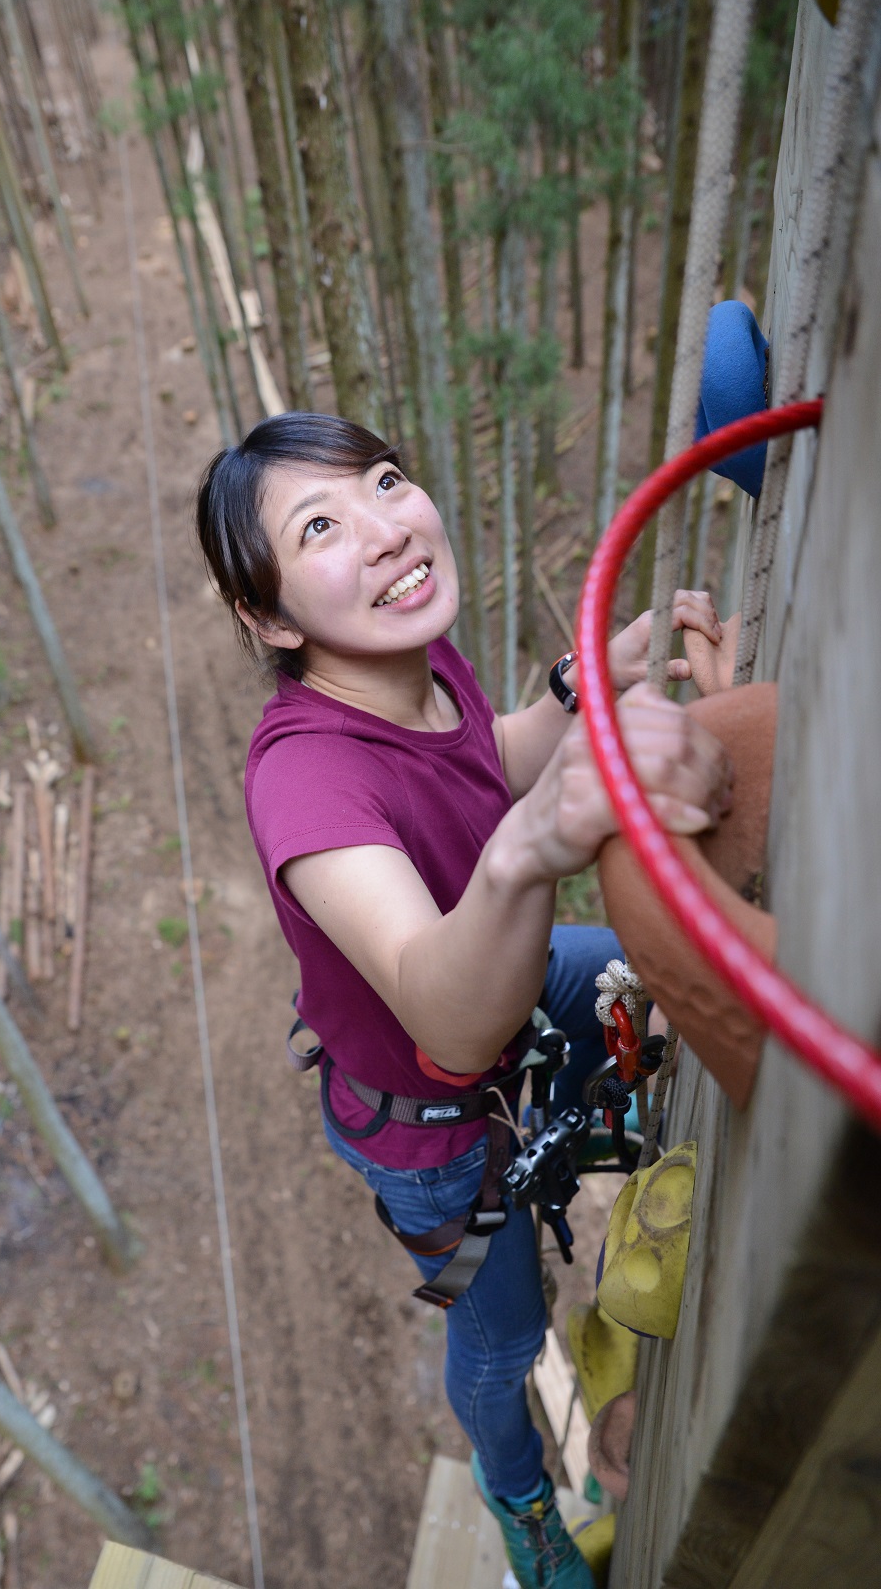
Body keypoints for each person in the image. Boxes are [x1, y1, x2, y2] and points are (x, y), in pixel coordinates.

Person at [196, 412, 731, 1589]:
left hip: (514, 987)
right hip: (435, 1119)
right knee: (503, 1337)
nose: (389, 527)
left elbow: (492, 758)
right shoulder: (307, 785)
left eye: (388, 480)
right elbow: (448, 1017)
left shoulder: (412, 658)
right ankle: (523, 1502)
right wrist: (531, 848)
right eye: (323, 524)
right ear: (271, 617)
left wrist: (584, 688)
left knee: (660, 990)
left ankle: (636, 1139)